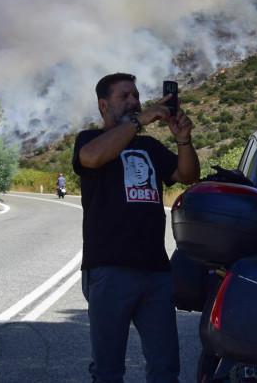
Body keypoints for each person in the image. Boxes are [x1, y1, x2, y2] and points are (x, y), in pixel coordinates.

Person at [73, 72, 200, 383]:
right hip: (109, 269)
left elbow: (187, 175)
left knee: (165, 367)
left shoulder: (150, 147)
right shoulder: (89, 140)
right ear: (104, 105)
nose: (134, 101)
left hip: (156, 272)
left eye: (136, 96)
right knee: (108, 370)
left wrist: (183, 139)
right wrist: (140, 120)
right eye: (124, 96)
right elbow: (91, 158)